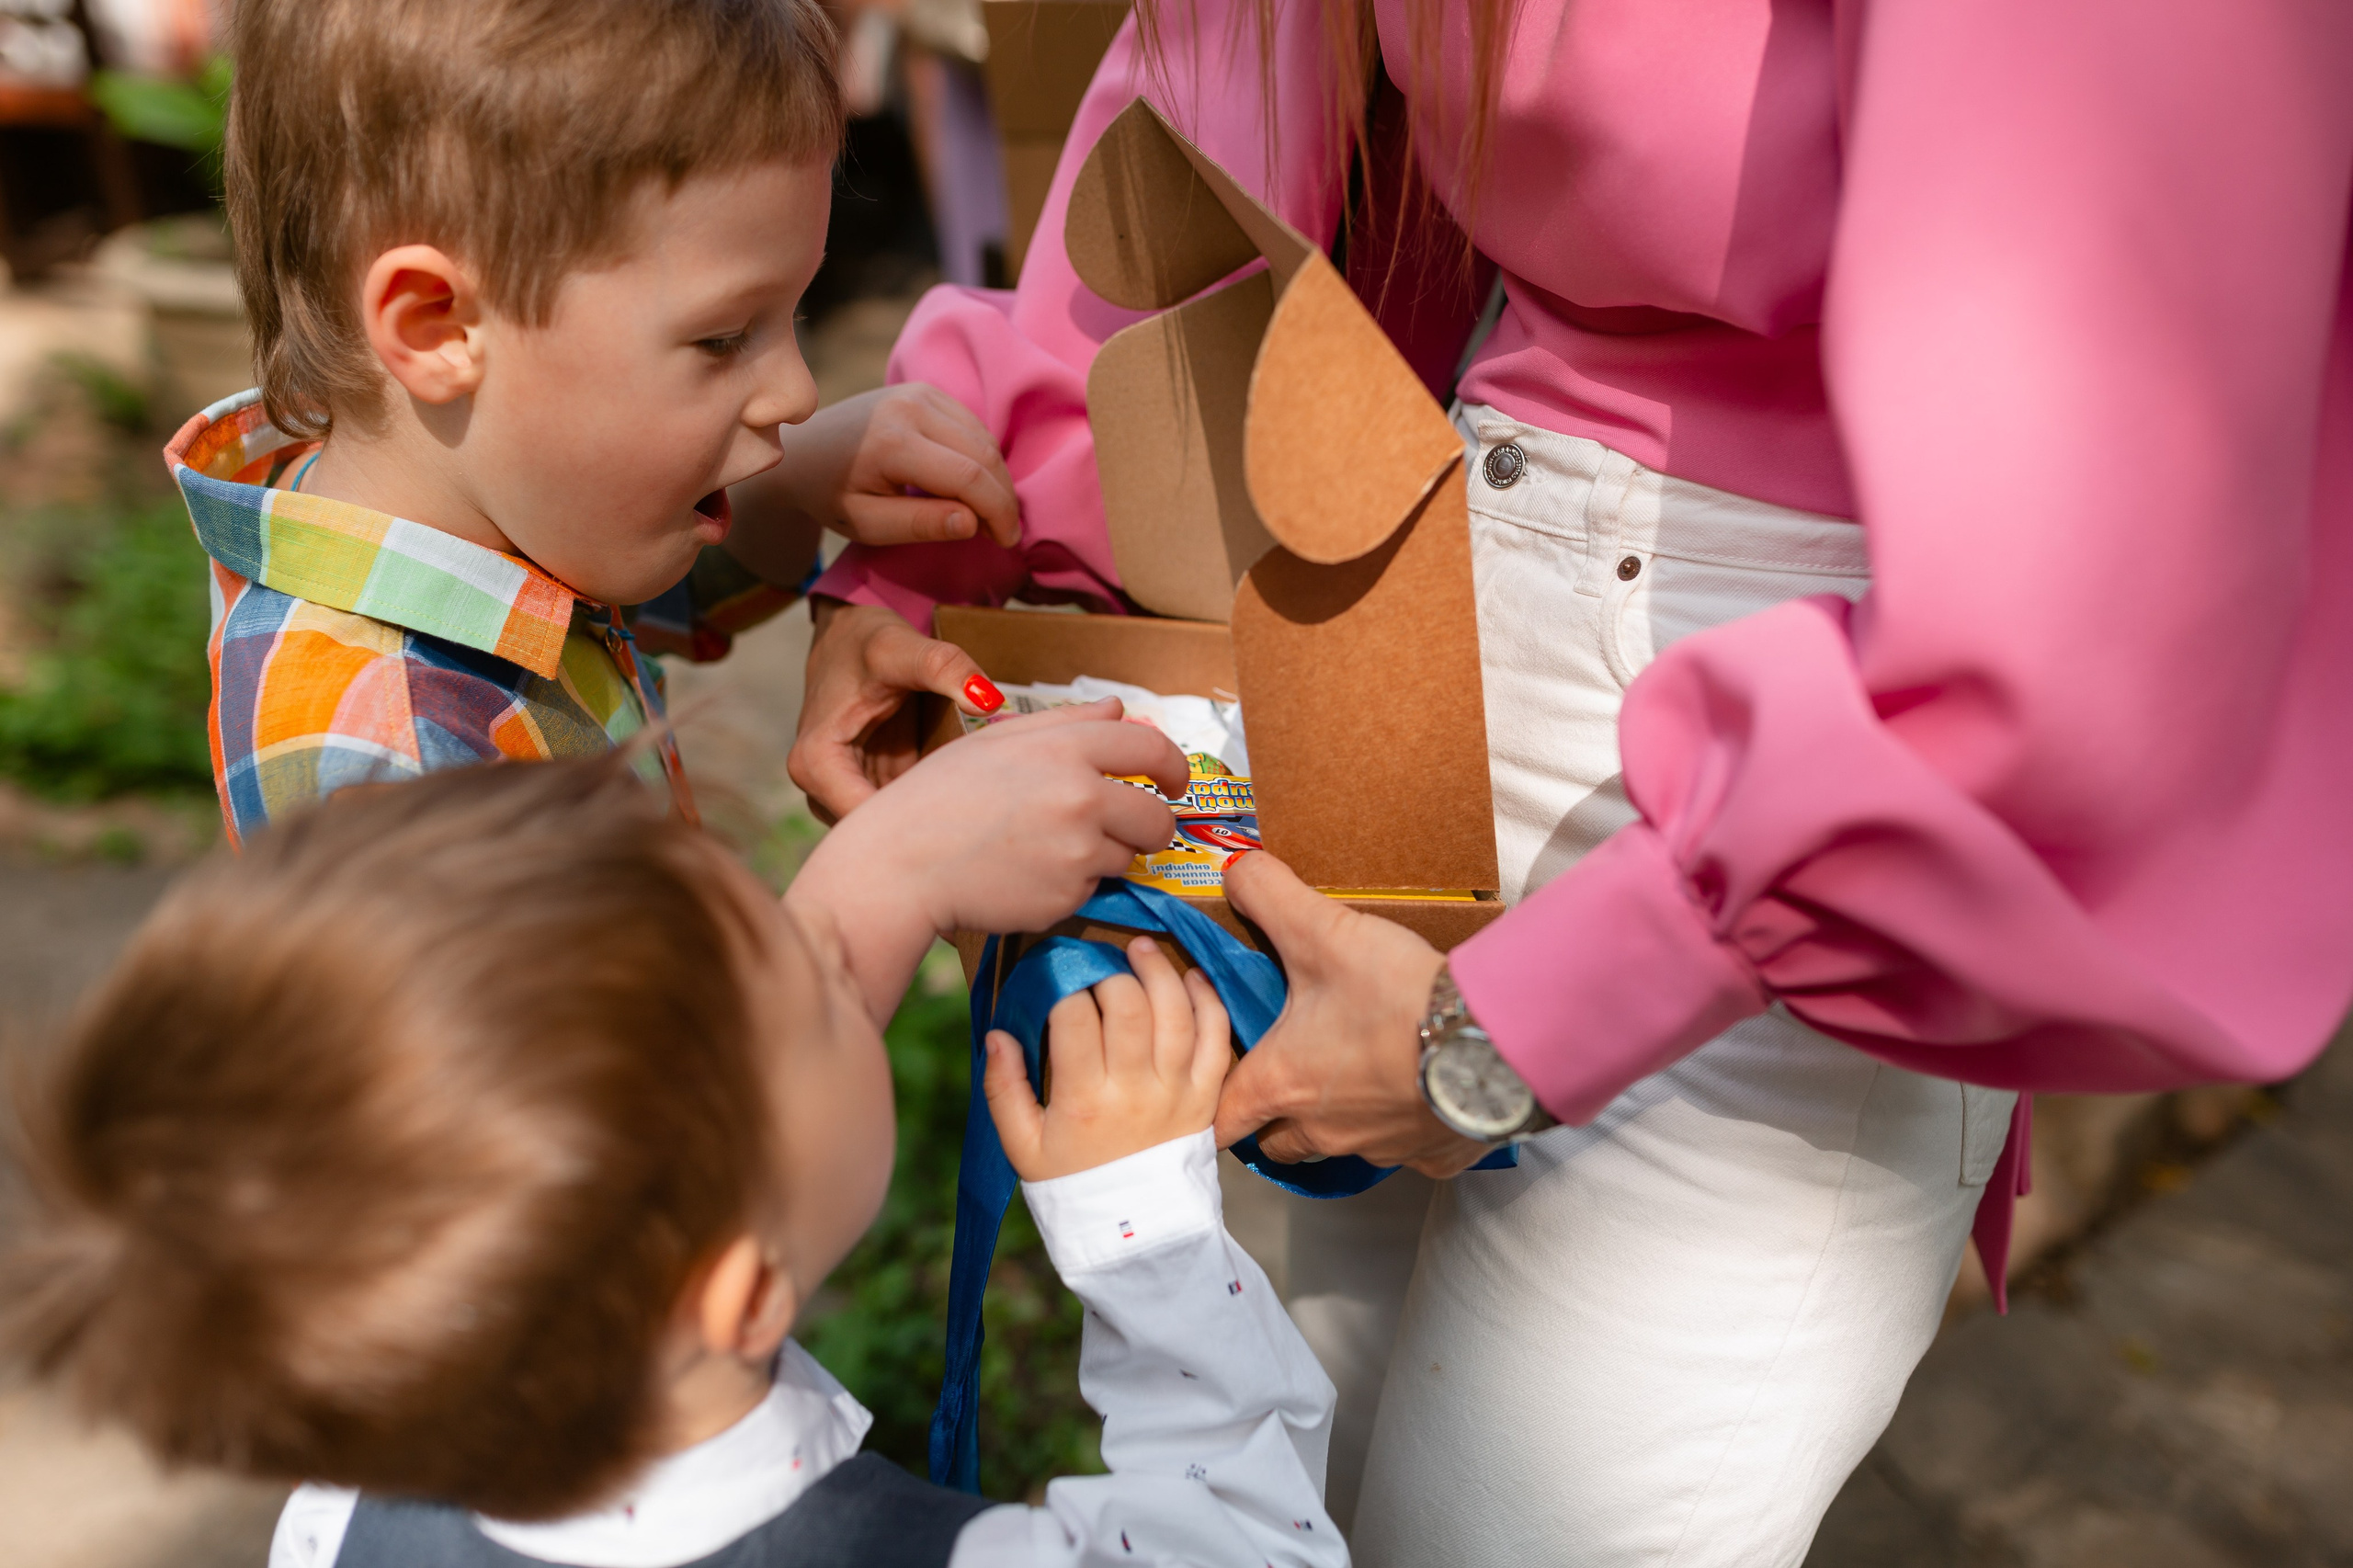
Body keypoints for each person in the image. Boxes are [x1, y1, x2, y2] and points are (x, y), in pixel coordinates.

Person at [787, 0, 2353, 1561]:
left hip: (1829, 756)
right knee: (1272, 1491)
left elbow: (2093, 505)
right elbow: (1216, 89)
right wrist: (954, 529)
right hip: (1392, 630)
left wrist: (1521, 1026)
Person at [1, 750, 1347, 1568]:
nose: (840, 949)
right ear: (733, 1290)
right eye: (821, 984)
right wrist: (1147, 1238)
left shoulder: (340, 1517)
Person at [172, 0, 1024, 844]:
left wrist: (795, 485)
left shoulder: (482, 498)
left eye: (791, 318)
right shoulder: (384, 765)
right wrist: (885, 887)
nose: (797, 393)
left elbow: (643, 601)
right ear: (438, 326)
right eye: (723, 337)